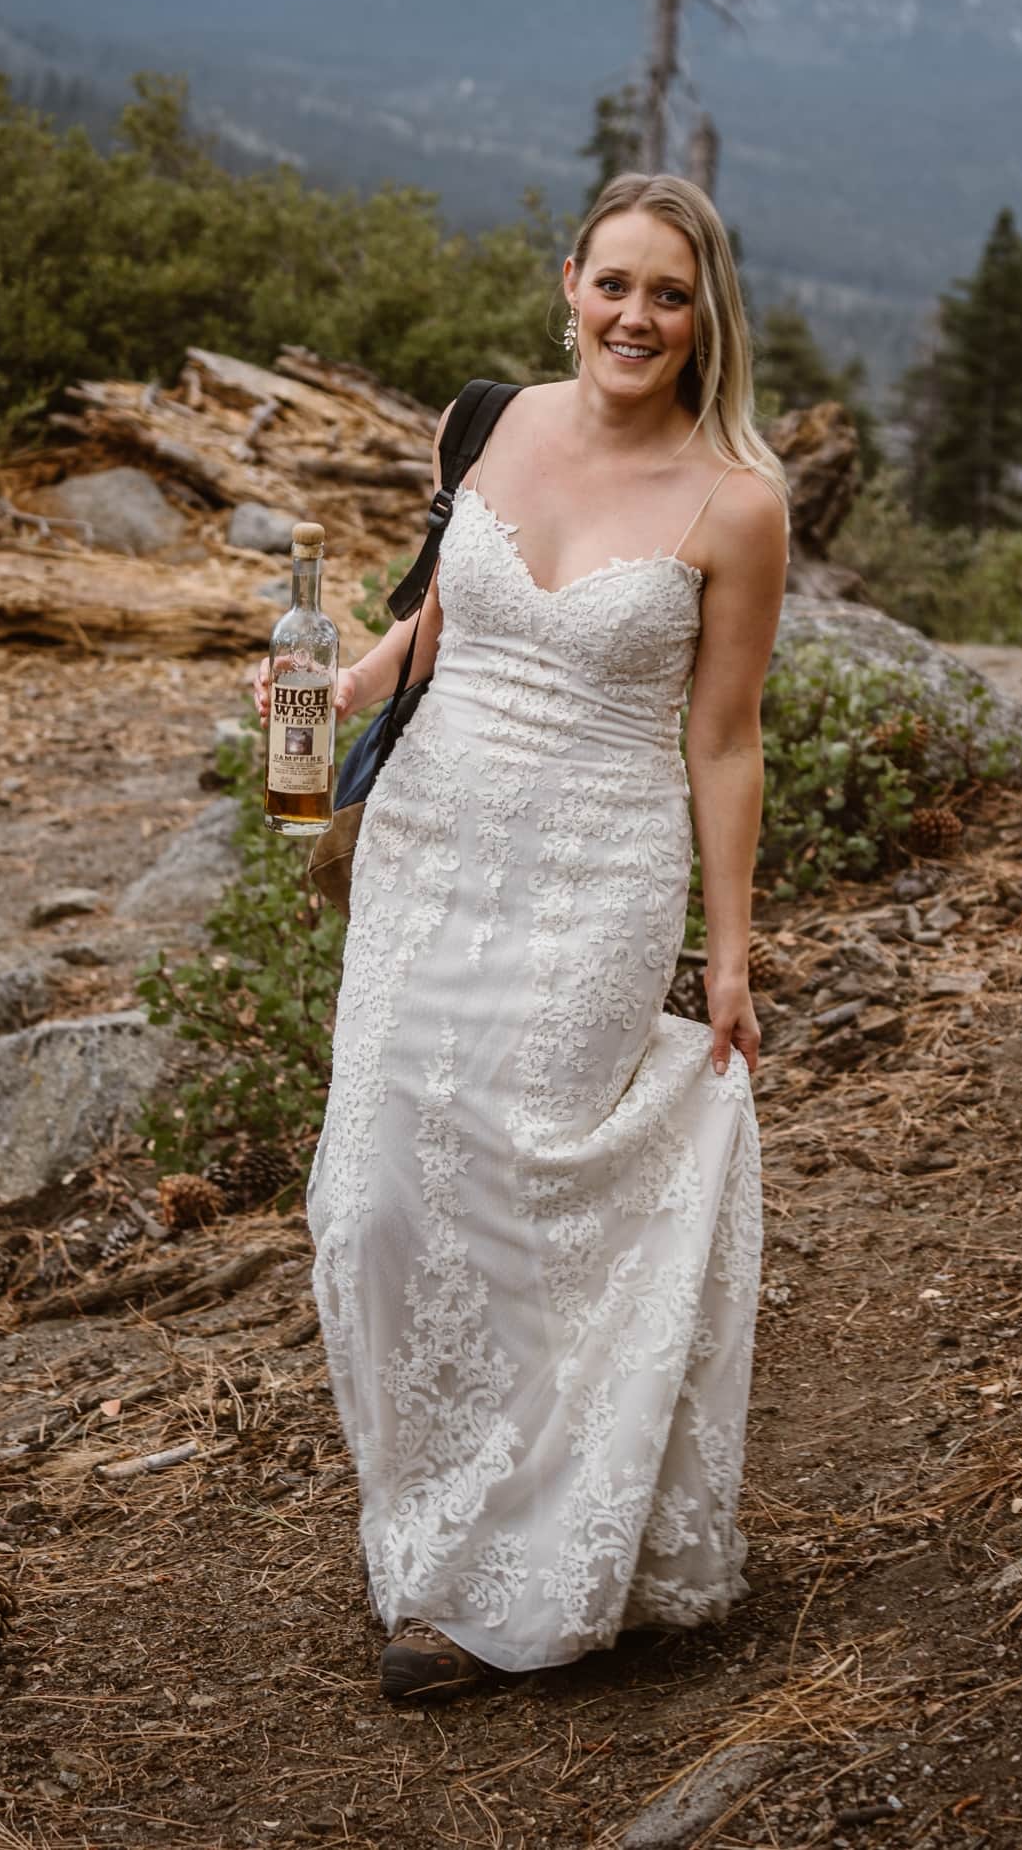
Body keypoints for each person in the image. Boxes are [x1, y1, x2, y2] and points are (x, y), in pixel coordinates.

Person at [256, 172, 788, 1701]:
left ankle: (523, 1575)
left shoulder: (732, 503)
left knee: (520, 1200)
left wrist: (731, 950)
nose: (636, 315)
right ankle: (432, 1520)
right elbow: (445, 616)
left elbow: (728, 741)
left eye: (669, 296)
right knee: (372, 1199)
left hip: (594, 879)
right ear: (569, 283)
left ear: (704, 322)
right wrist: (337, 687)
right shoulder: (479, 420)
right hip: (427, 852)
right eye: (614, 283)